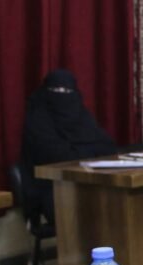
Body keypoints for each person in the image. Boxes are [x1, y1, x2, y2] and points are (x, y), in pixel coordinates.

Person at [21, 69, 117, 223]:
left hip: (91, 184)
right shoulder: (38, 121)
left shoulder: (83, 117)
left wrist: (78, 151)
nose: (62, 96)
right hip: (52, 188)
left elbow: (108, 147)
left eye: (67, 91)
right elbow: (59, 156)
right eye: (56, 90)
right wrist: (89, 152)